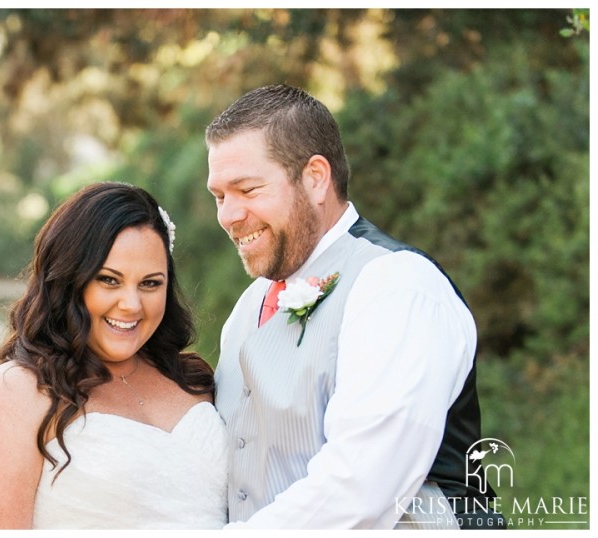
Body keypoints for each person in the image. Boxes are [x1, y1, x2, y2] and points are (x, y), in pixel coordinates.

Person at [205, 84, 502, 529]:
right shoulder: (248, 308)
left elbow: (363, 485)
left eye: (246, 189)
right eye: (219, 197)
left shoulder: (397, 285)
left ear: (316, 178)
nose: (228, 215)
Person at [0, 181, 228, 529]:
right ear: (68, 279)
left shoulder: (192, 379)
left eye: (150, 283)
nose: (131, 304)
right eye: (109, 280)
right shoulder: (12, 394)